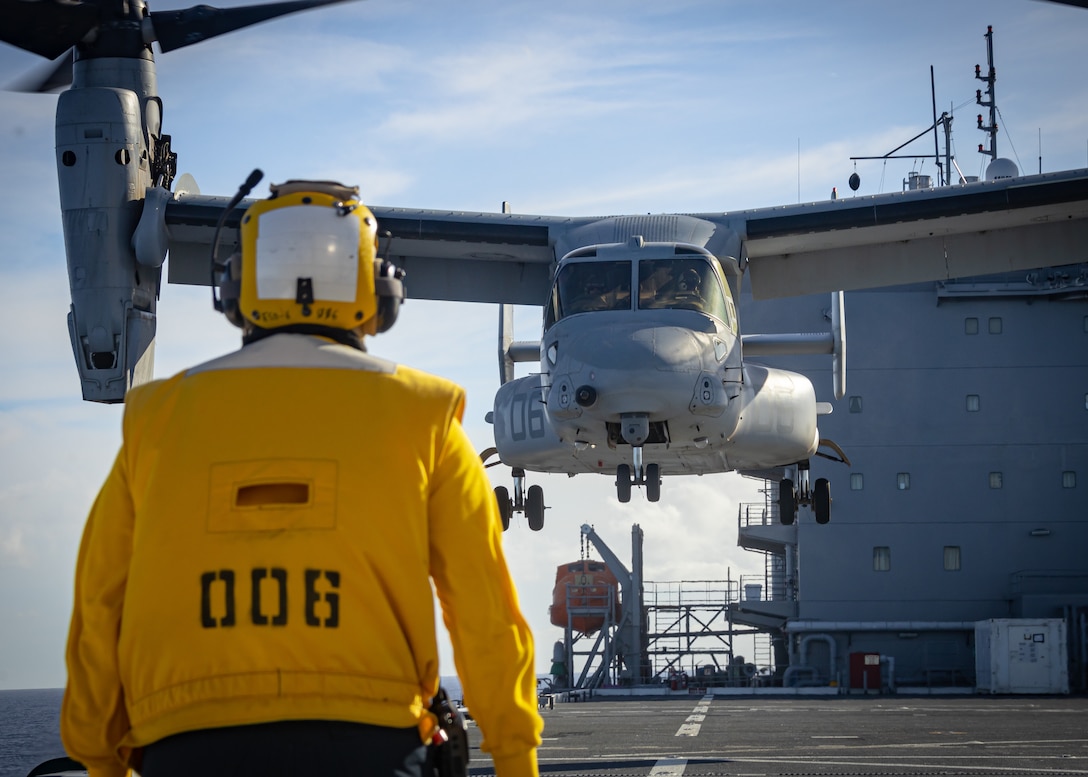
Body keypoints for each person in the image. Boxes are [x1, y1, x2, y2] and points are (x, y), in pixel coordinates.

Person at [60, 179, 543, 777]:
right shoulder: (426, 413)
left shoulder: (158, 418)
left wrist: (100, 757)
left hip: (187, 748)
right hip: (375, 745)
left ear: (235, 288)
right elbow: (483, 612)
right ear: (379, 289)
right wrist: (517, 755)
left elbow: (99, 603)